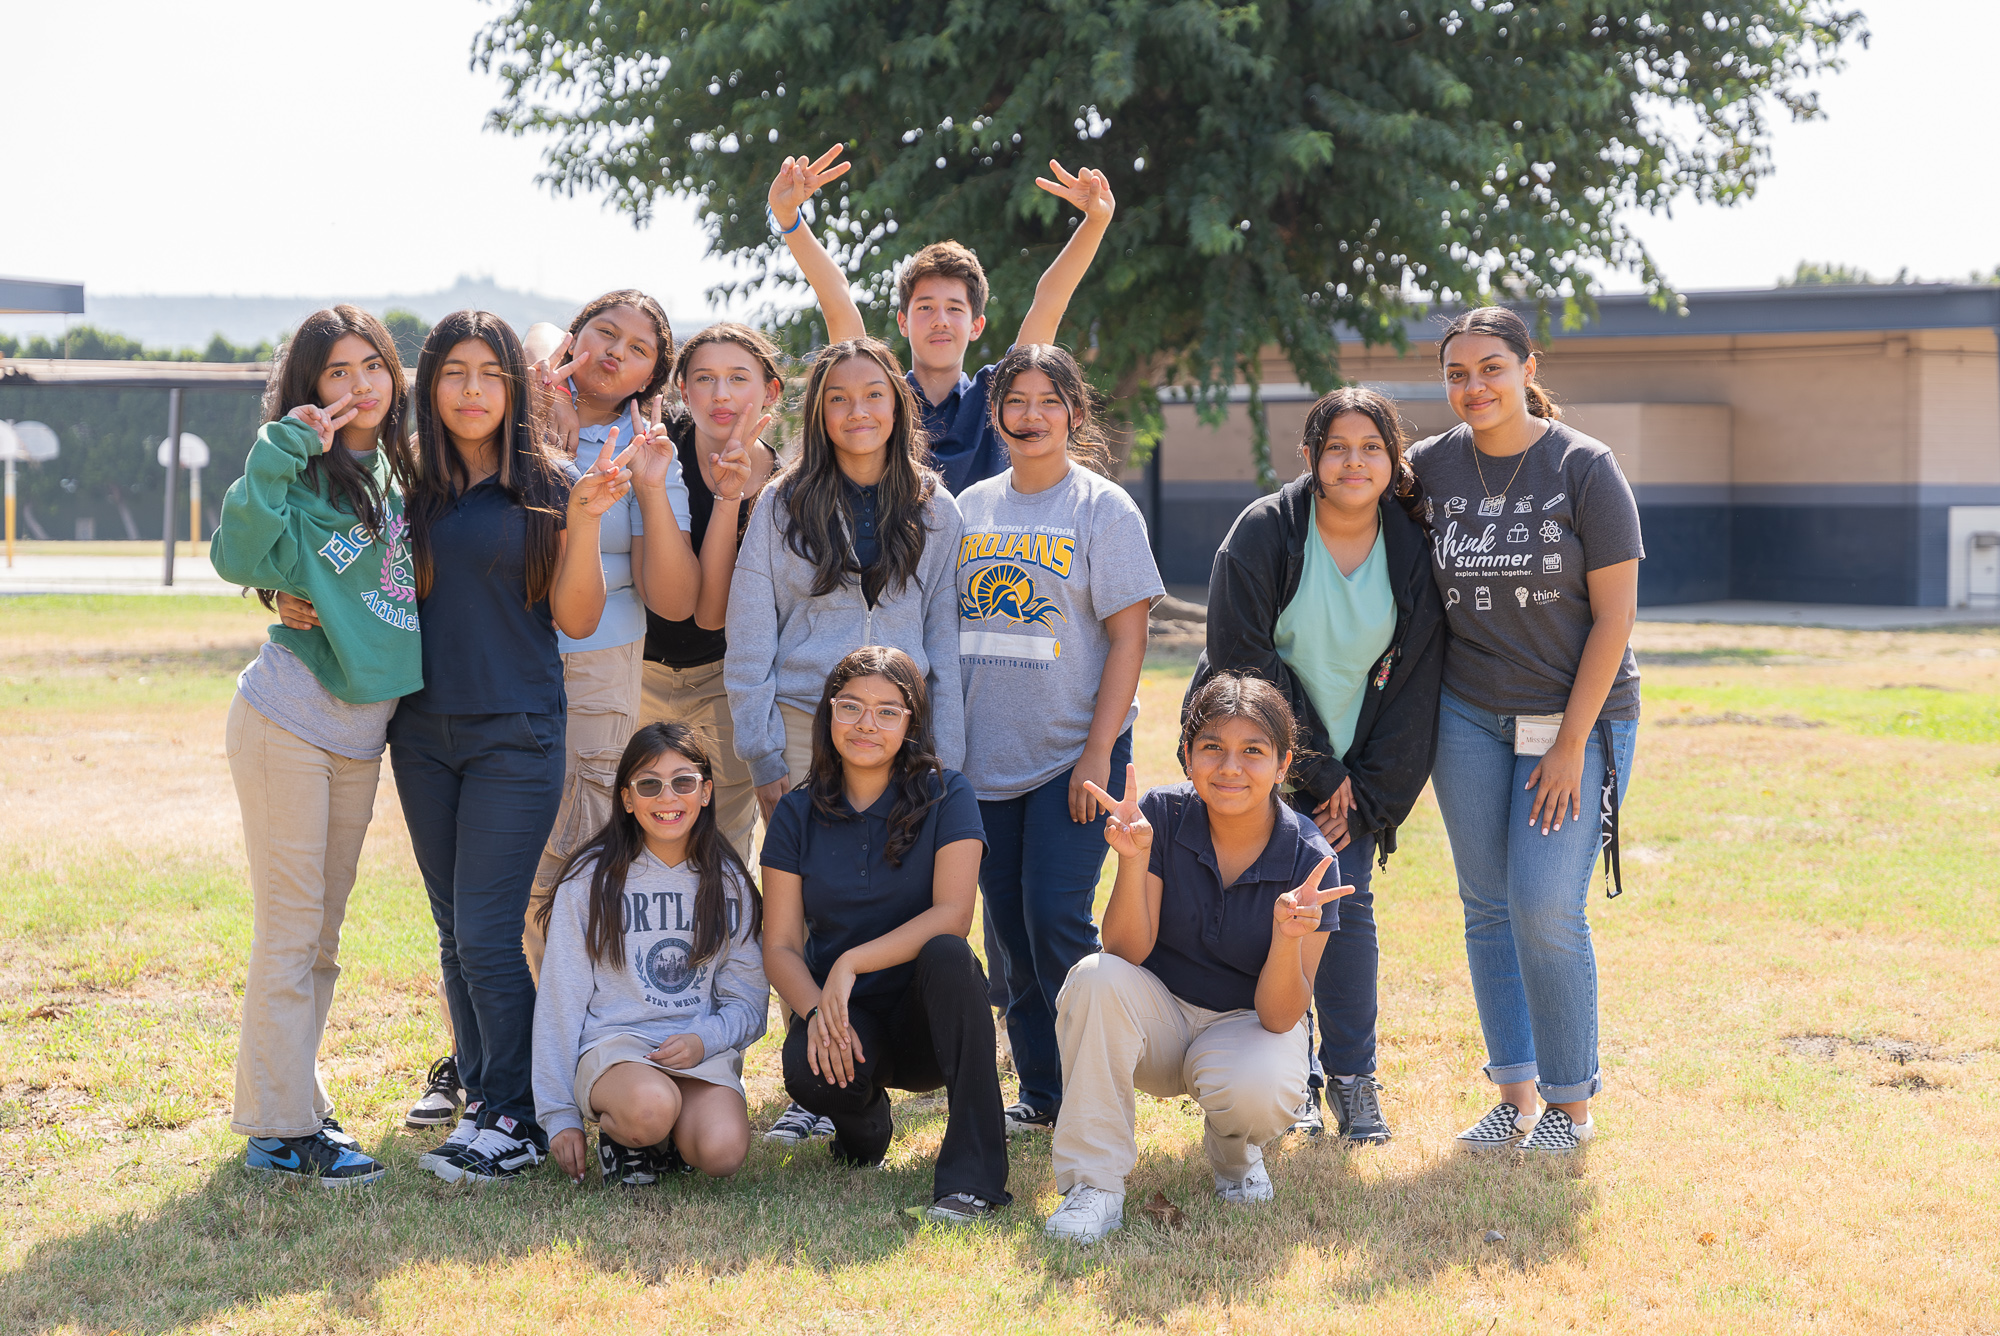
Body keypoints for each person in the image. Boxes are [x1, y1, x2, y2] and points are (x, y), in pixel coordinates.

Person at [390, 310, 631, 1183]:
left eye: (490, 373)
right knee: (454, 931)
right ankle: (487, 1099)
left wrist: (586, 522)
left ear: (514, 387)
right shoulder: (408, 487)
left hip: (516, 734)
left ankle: (519, 1116)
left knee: (490, 931)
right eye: (454, 373)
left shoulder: (553, 485)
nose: (472, 390)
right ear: (430, 386)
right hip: (421, 734)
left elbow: (578, 619)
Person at [1408, 305, 1642, 1156]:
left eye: (1491, 369)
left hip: (1574, 715)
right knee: (1487, 904)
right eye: (1457, 374)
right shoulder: (1428, 468)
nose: (1473, 387)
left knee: (1543, 906)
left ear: (1527, 368)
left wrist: (1574, 743)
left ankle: (1571, 1107)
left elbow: (1615, 619)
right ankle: (1514, 1095)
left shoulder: (1584, 466)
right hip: (1467, 711)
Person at [725, 336, 967, 1146]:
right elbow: (750, 636)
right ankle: (816, 1073)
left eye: (873, 395)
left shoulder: (936, 508)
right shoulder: (782, 505)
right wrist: (764, 756)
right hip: (805, 727)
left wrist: (946, 762)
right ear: (818, 413)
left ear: (898, 405)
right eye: (837, 398)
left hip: (903, 731)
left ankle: (889, 1048)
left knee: (898, 893)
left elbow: (944, 638)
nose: (857, 411)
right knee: (810, 907)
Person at [1191, 387, 1446, 1145]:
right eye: (1336, 447)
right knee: (1267, 912)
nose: (1352, 462)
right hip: (1254, 757)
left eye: (1371, 448)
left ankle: (1352, 1079)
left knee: (1345, 905)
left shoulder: (1409, 546)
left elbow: (1414, 684)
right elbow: (1241, 657)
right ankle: (1288, 1074)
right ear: (1309, 457)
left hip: (1353, 774)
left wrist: (1364, 796)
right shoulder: (1265, 531)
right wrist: (1314, 769)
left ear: (1394, 460)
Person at [209, 306, 421, 1187]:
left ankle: (293, 1096)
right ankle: (278, 1131)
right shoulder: (295, 469)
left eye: (372, 365)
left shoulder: (404, 473)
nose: (359, 384)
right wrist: (279, 448)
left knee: (322, 938)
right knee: (292, 931)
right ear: (310, 387)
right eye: (337, 371)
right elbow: (236, 555)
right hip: (288, 721)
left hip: (359, 737)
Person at [1044, 673, 1350, 1244]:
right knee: (1093, 978)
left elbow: (1281, 1016)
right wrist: (1134, 860)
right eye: (1212, 747)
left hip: (1245, 1028)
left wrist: (1286, 937)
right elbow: (1125, 952)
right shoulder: (1161, 814)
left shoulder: (1311, 858)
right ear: (1188, 756)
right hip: (1159, 1019)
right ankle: (1095, 1185)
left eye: (1253, 751)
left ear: (1282, 765)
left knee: (1261, 1085)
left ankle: (1235, 1156)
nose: (1230, 767)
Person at [954, 343, 1161, 1136]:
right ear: (996, 413)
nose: (1032, 414)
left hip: (1074, 755)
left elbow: (1130, 638)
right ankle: (1043, 1094)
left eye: (1049, 400)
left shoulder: (1104, 509)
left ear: (1075, 412)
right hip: (985, 758)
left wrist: (1097, 752)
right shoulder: (971, 508)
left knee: (1054, 918)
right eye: (1016, 400)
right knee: (1008, 927)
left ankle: (1095, 1085)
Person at [759, 647, 1008, 1222]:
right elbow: (780, 946)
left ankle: (973, 1178)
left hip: (931, 1020)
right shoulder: (795, 812)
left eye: (887, 711)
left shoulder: (949, 794)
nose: (866, 724)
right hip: (850, 1021)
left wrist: (849, 962)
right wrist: (817, 1012)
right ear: (829, 712)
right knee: (806, 1066)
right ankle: (864, 1129)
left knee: (950, 954)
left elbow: (954, 915)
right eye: (851, 706)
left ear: (912, 722)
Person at [517, 292, 699, 983]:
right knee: (495, 850)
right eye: (604, 333)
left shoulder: (649, 447)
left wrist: (649, 489)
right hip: (503, 652)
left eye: (638, 349)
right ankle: (491, 1031)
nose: (616, 352)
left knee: (573, 851)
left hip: (598, 662)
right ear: (575, 338)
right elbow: (533, 334)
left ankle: (557, 1022)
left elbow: (673, 601)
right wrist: (548, 393)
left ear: (652, 379)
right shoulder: (517, 409)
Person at [767, 144, 1116, 496]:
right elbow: (836, 300)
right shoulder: (880, 394)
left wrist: (1095, 221)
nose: (940, 321)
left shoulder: (1001, 393)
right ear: (903, 322)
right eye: (925, 308)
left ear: (976, 326)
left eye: (955, 309)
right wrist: (789, 218)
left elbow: (1049, 303)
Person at [533, 723, 766, 1187]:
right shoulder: (590, 881)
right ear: (626, 798)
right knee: (650, 1108)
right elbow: (560, 1000)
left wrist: (704, 1039)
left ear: (706, 792)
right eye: (649, 785)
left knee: (722, 1151)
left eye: (683, 782)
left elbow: (749, 1002)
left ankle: (662, 1141)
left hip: (695, 1051)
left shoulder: (729, 883)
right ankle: (627, 1136)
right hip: (616, 1049)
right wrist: (559, 1114)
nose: (667, 797)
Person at [638, 323, 783, 865]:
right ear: (682, 389)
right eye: (704, 379)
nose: (721, 395)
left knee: (722, 849)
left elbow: (713, 615)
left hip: (727, 681)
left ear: (770, 392)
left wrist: (731, 498)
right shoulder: (659, 447)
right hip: (641, 673)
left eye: (738, 378)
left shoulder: (785, 487)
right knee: (632, 840)